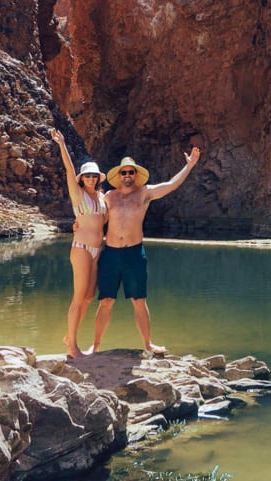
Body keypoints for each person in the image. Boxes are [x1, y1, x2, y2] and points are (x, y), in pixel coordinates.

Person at [92, 145, 201, 355]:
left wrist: (189, 167)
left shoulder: (145, 193)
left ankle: (148, 344)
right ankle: (95, 346)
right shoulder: (109, 197)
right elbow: (96, 218)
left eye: (131, 172)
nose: (127, 175)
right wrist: (79, 227)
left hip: (134, 253)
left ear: (136, 175)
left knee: (139, 301)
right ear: (119, 175)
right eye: (124, 172)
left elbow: (170, 185)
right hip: (111, 253)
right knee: (106, 300)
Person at [50, 128, 107, 358]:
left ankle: (69, 335)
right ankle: (72, 346)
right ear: (82, 179)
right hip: (81, 249)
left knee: (89, 297)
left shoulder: (103, 197)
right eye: (87, 176)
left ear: (98, 178)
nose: (91, 179)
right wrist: (62, 144)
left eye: (94, 176)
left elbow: (109, 220)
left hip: (97, 250)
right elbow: (68, 168)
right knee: (78, 296)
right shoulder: (78, 194)